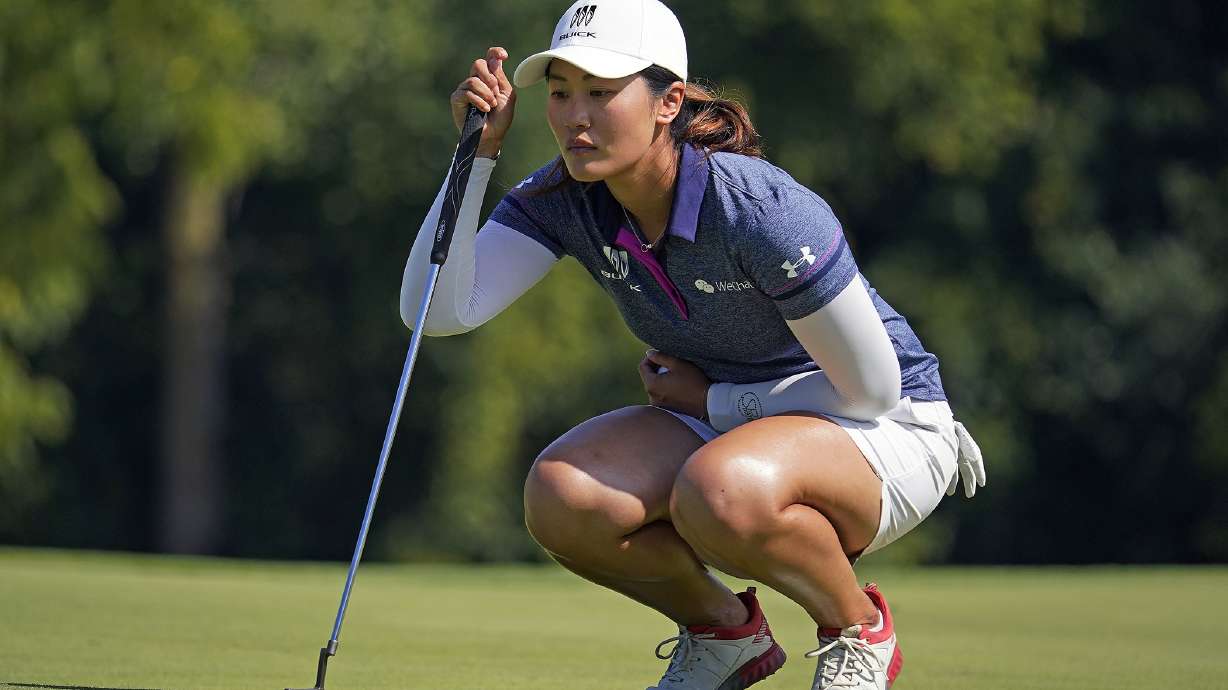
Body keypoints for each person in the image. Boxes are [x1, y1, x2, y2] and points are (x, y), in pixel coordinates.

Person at [400, 1, 985, 688]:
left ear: (667, 102)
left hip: (887, 425)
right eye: (560, 93)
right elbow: (436, 309)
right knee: (563, 495)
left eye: (601, 92)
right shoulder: (565, 197)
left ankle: (859, 630)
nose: (575, 116)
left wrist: (715, 400)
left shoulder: (757, 209)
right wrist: (476, 155)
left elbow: (873, 390)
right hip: (730, 425)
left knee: (719, 490)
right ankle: (725, 636)